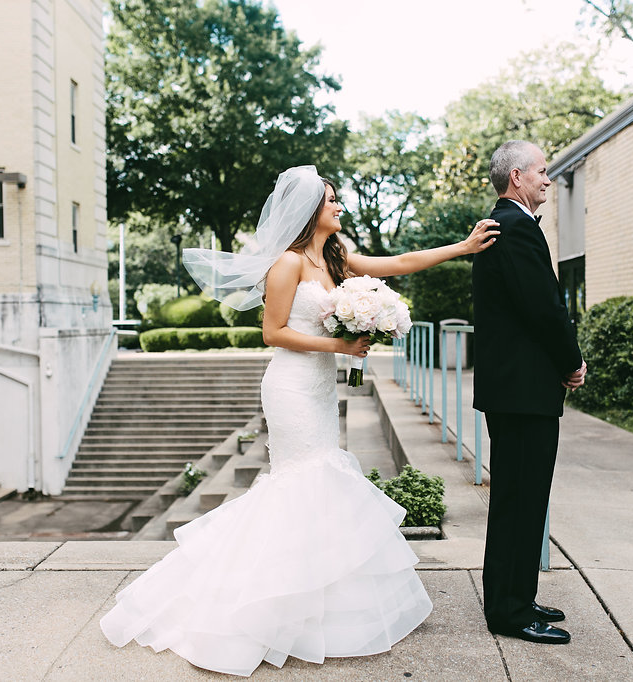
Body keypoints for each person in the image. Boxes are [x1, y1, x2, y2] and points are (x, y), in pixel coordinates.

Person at [100, 165, 499, 676]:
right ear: (311, 209)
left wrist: (460, 249)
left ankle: (319, 608)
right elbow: (272, 333)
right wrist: (340, 343)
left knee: (320, 481)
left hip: (319, 385)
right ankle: (266, 603)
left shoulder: (335, 258)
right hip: (290, 386)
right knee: (303, 479)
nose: (340, 208)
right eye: (332, 201)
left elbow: (397, 261)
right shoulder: (286, 263)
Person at [471, 141, 586, 645]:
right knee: (520, 500)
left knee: (523, 499)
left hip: (517, 391)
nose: (549, 178)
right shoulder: (515, 229)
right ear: (516, 176)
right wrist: (571, 362)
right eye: (542, 171)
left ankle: (517, 596)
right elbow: (543, 309)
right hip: (522, 392)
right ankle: (510, 612)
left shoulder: (508, 225)